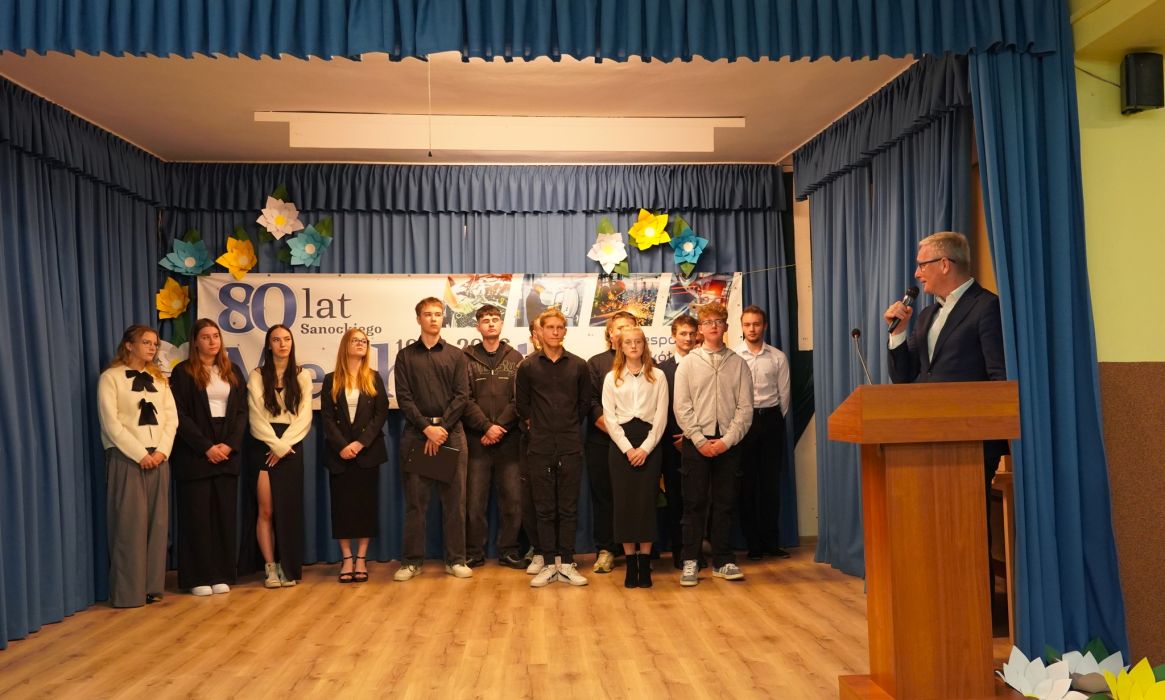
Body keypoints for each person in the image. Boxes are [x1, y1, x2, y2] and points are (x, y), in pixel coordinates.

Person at [883, 230, 1008, 484]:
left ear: (944, 264)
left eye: (922, 265)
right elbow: (903, 377)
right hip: (928, 435)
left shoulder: (986, 306)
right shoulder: (927, 315)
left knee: (970, 509)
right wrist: (898, 332)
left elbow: (999, 377)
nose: (916, 274)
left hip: (973, 441)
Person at [97, 324, 178, 608]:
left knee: (158, 524)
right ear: (129, 345)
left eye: (155, 343)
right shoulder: (111, 378)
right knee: (129, 525)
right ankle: (128, 593)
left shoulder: (160, 380)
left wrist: (162, 451)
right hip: (127, 458)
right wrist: (139, 453)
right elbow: (111, 423)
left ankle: (152, 586)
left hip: (159, 458)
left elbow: (171, 419)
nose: (152, 347)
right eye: (146, 342)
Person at [673, 302, 753, 586]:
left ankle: (723, 559)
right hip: (697, 444)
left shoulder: (739, 364)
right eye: (708, 322)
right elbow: (682, 407)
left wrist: (727, 441)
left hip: (728, 444)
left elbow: (745, 408)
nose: (714, 327)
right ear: (700, 329)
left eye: (719, 322)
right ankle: (691, 560)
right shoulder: (688, 364)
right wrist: (698, 439)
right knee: (694, 504)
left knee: (725, 502)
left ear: (726, 327)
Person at [393, 297, 473, 581]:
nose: (433, 318)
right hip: (418, 436)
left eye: (438, 314)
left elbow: (462, 396)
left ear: (443, 318)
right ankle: (412, 562)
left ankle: (456, 560)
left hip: (451, 435)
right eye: (427, 314)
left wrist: (441, 429)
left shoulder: (456, 355)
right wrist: (427, 429)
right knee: (416, 504)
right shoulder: (405, 357)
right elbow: (404, 398)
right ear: (419, 319)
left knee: (455, 503)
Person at [170, 319, 248, 597]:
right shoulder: (183, 372)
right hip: (196, 453)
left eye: (216, 336)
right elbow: (180, 415)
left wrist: (229, 445)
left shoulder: (232, 371)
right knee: (197, 517)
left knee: (223, 516)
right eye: (206, 336)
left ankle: (221, 573)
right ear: (195, 341)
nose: (212, 341)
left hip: (226, 449)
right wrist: (206, 447)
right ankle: (198, 576)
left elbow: (242, 412)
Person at [516, 309, 591, 587]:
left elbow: (584, 405)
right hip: (540, 446)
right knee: (544, 508)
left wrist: (566, 425)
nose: (556, 332)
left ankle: (567, 564)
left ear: (565, 331)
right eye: (550, 327)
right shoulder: (527, 366)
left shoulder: (579, 366)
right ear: (540, 332)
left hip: (570, 444)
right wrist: (539, 429)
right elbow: (522, 405)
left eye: (560, 327)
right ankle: (549, 564)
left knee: (568, 508)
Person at [320, 327, 389, 584]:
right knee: (342, 508)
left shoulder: (373, 377)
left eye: (364, 341)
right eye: (355, 340)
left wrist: (360, 443)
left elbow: (380, 414)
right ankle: (346, 558)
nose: (361, 344)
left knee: (364, 507)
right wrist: (342, 445)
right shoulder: (331, 380)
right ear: (345, 345)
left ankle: (361, 558)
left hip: (367, 452)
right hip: (339, 454)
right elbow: (327, 417)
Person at [602, 326, 669, 588]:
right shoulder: (612, 378)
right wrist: (628, 449)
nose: (633, 346)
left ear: (644, 345)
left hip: (649, 443)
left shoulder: (658, 376)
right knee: (625, 505)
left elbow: (661, 416)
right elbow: (609, 418)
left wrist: (645, 449)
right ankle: (630, 563)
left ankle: (645, 562)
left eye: (638, 342)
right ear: (620, 346)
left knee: (646, 504)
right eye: (628, 342)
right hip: (622, 446)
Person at [247, 324, 313, 589]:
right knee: (266, 510)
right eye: (276, 340)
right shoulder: (256, 375)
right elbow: (255, 415)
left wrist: (284, 446)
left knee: (288, 510)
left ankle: (288, 567)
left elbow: (305, 416)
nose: (283, 344)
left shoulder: (302, 375)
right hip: (264, 443)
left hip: (291, 445)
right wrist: (274, 445)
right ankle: (270, 567)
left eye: (287, 339)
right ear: (268, 345)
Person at [462, 304, 525, 569]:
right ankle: (473, 552)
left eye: (495, 319)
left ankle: (509, 550)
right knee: (474, 502)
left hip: (508, 440)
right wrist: (486, 427)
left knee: (513, 500)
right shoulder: (465, 358)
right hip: (477, 440)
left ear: (501, 325)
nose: (490, 323)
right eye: (485, 320)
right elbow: (464, 399)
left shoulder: (516, 357)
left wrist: (498, 427)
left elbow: (519, 399)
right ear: (478, 326)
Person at [734, 305, 792, 561]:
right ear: (741, 327)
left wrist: (772, 419)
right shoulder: (734, 356)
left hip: (770, 421)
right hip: (743, 423)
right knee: (746, 485)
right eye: (747, 324)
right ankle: (753, 544)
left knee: (770, 485)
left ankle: (771, 542)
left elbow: (784, 395)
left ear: (764, 326)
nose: (752, 329)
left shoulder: (777, 357)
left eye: (756, 324)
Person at [584, 310, 638, 574]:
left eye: (629, 326)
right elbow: (590, 404)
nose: (623, 331)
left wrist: (633, 439)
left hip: (637, 445)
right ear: (610, 334)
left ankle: (638, 550)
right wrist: (616, 432)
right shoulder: (595, 364)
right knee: (604, 497)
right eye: (619, 327)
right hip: (602, 442)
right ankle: (606, 550)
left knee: (634, 497)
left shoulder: (645, 364)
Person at [656, 314, 699, 568]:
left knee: (698, 500)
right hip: (671, 443)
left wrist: (692, 434)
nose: (688, 338)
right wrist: (677, 435)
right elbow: (661, 408)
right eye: (683, 333)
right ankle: (678, 551)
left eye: (692, 334)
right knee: (675, 500)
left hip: (699, 440)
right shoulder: (662, 370)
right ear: (673, 336)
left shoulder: (704, 363)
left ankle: (696, 551)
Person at [519, 317, 544, 574]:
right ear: (533, 336)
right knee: (531, 499)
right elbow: (520, 404)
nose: (544, 335)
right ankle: (537, 549)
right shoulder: (524, 366)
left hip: (561, 440)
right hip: (530, 440)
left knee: (559, 500)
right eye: (538, 331)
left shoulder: (572, 364)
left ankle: (559, 551)